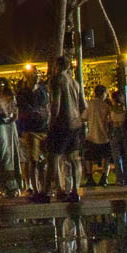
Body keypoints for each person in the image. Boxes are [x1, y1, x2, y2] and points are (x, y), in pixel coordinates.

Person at [46, 57, 86, 200]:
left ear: (56, 66)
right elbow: (82, 105)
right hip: (76, 123)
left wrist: (51, 123)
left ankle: (56, 190)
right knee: (74, 158)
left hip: (62, 123)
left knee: (54, 157)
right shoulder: (75, 83)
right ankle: (75, 190)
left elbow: (56, 104)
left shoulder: (57, 80)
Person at [16, 73, 50, 195]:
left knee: (46, 160)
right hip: (31, 130)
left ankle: (45, 186)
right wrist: (35, 112)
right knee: (33, 160)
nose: (37, 77)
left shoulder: (42, 91)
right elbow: (23, 110)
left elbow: (46, 106)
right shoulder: (23, 93)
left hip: (44, 128)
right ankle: (35, 188)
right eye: (34, 75)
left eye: (38, 75)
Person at [84, 84, 112, 187]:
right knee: (105, 157)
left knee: (89, 158)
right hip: (104, 135)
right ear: (103, 93)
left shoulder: (89, 104)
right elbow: (110, 120)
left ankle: (89, 177)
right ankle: (104, 177)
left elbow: (83, 117)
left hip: (91, 135)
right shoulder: (106, 106)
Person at [106, 88, 127, 185]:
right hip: (125, 132)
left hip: (115, 131)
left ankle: (119, 179)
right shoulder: (124, 109)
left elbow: (109, 122)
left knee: (116, 157)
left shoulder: (111, 110)